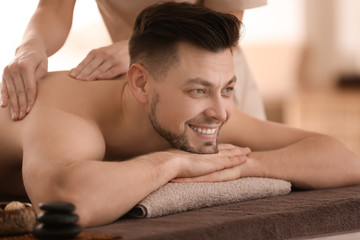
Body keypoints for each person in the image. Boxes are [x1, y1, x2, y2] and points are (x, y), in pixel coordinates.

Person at [0, 2, 359, 228]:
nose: (221, 113)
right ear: (140, 84)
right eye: (198, 90)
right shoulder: (67, 116)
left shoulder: (199, 104)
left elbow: (343, 160)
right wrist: (174, 163)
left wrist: (240, 165)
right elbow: (68, 204)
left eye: (228, 90)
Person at [1, 0, 266, 121]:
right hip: (133, 81)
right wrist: (31, 46)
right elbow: (54, 7)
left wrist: (143, 47)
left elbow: (226, 25)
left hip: (211, 77)